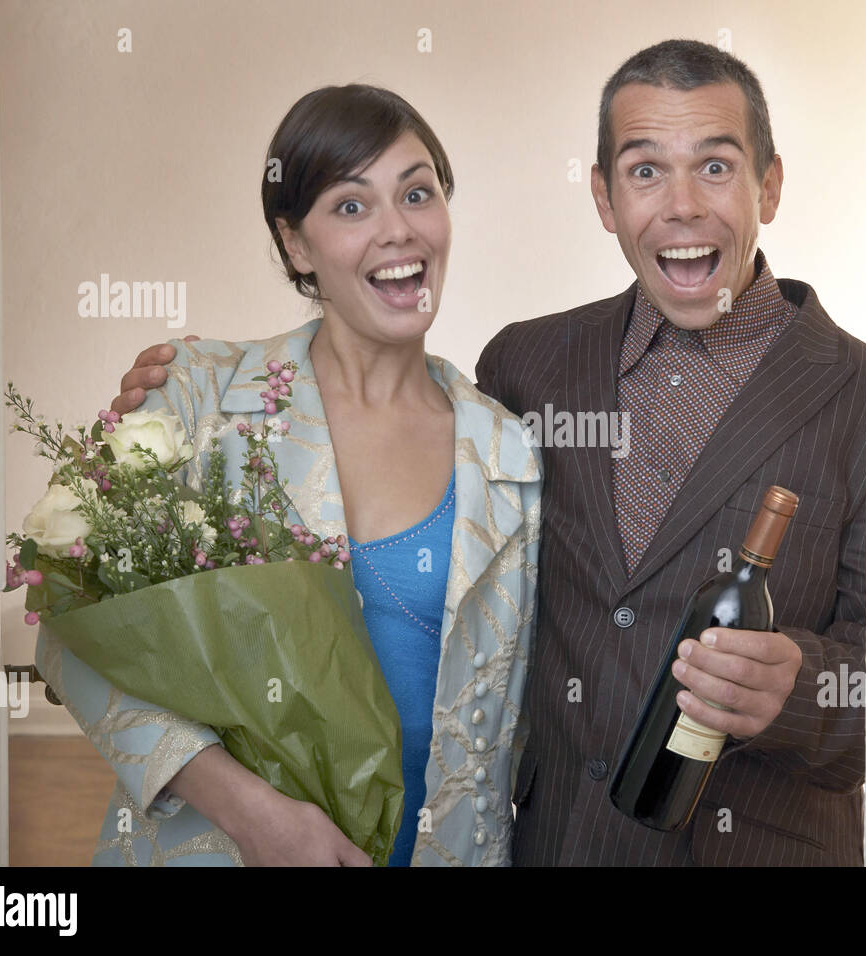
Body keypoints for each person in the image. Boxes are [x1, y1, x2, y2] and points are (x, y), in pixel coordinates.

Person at [115, 40, 866, 866]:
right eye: (646, 171)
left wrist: (799, 693)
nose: (681, 205)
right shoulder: (528, 372)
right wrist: (170, 405)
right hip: (552, 845)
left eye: (716, 167)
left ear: (771, 184)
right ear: (605, 198)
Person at [37, 84, 542, 867]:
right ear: (296, 245)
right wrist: (252, 812)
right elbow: (68, 630)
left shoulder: (508, 451)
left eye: (417, 192)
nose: (398, 229)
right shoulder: (197, 394)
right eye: (351, 206)